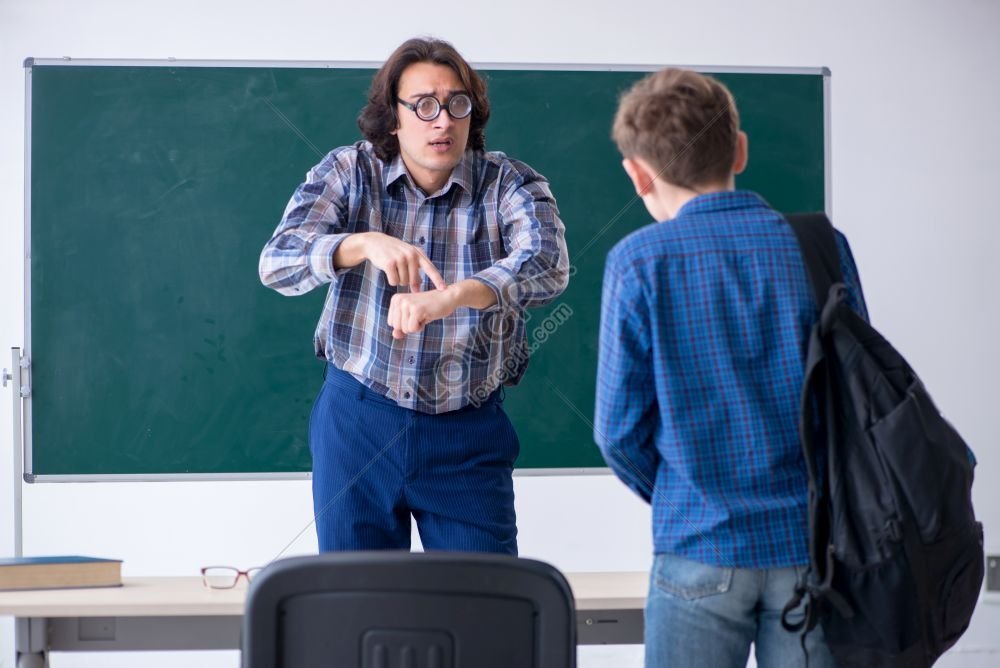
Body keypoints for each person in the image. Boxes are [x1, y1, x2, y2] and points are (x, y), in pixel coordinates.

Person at [594, 68, 868, 667]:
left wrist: (685, 493)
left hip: (698, 542)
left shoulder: (637, 261)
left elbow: (618, 433)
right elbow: (858, 400)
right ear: (740, 149)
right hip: (811, 546)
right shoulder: (821, 246)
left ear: (638, 173)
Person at [260, 37, 569, 555]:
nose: (442, 120)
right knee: (357, 607)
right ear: (393, 117)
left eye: (457, 104)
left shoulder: (510, 183)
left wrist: (456, 297)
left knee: (482, 608)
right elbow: (277, 261)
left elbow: (548, 265)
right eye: (423, 105)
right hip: (357, 423)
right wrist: (359, 244)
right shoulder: (348, 171)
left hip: (466, 434)